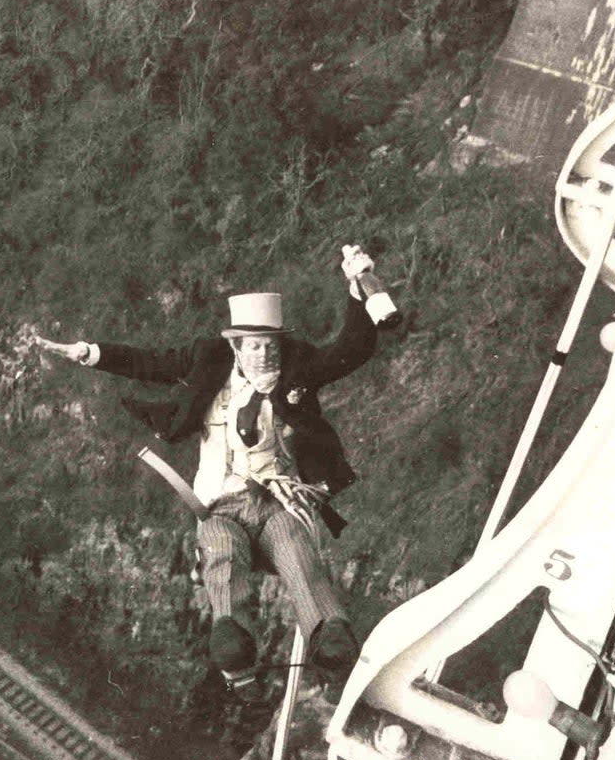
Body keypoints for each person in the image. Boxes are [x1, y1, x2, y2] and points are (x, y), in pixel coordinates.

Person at [34, 247, 382, 695]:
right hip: (221, 503)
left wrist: (358, 290)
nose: (263, 356)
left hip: (276, 502)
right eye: (253, 346)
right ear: (235, 344)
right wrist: (88, 352)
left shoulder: (297, 369)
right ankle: (233, 645)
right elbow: (150, 364)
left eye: (270, 345)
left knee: (297, 551)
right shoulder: (208, 361)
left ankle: (329, 634)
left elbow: (350, 351)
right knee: (220, 549)